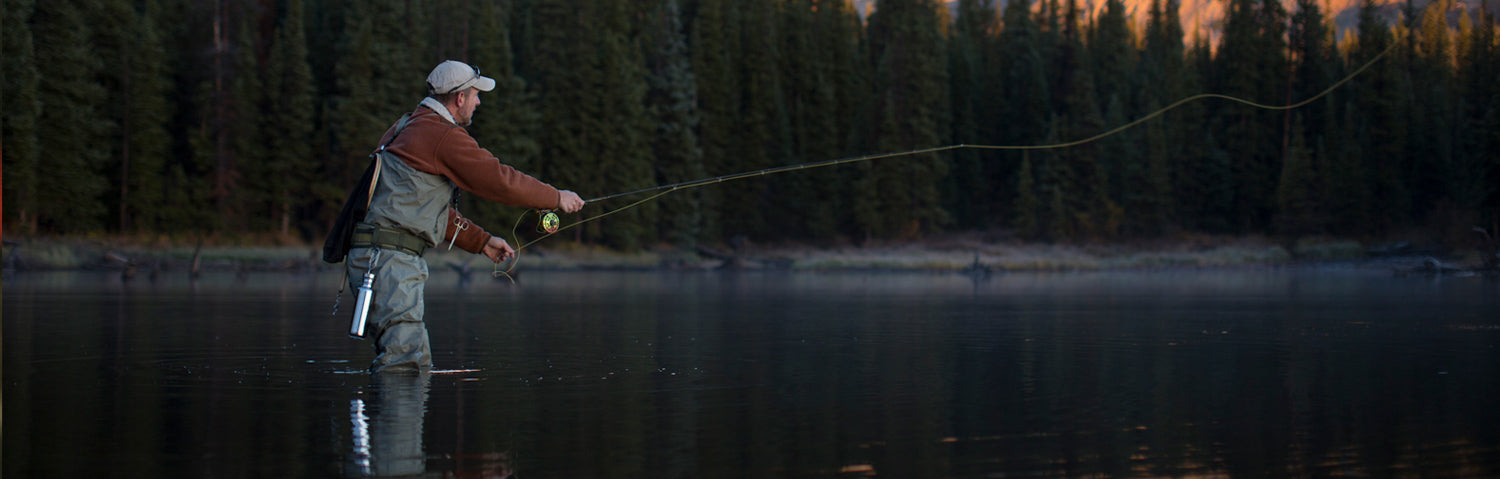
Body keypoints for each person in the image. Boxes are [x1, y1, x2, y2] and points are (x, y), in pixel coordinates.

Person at [348, 60, 585, 373]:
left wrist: (482, 242)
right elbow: (498, 179)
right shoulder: (439, 134)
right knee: (403, 367)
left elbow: (422, 208)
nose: (478, 101)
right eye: (475, 94)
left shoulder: (406, 126)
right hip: (390, 263)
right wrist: (555, 198)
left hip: (379, 260)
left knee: (411, 365)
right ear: (459, 98)